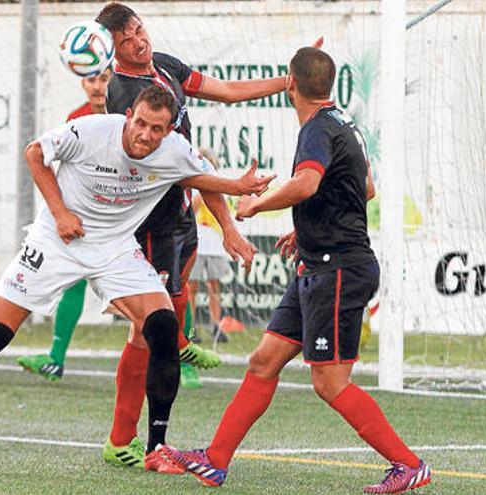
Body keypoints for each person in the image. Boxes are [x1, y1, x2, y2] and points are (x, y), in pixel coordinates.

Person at [0, 86, 273, 473]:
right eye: (141, 123)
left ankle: (157, 447)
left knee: (163, 326)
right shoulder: (92, 131)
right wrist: (60, 212)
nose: (145, 134)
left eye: (156, 129)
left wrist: (231, 216)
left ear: (168, 131)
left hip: (113, 248)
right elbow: (35, 153)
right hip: (57, 238)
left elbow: (202, 178)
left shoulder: (175, 149)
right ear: (128, 115)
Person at [160, 47, 430, 494]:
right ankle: (215, 460)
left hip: (339, 270)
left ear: (290, 83)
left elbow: (307, 183)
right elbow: (364, 188)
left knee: (329, 382)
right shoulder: (343, 122)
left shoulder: (316, 129)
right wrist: (307, 229)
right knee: (264, 360)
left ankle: (408, 464)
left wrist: (256, 203)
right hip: (317, 264)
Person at [95, 1, 315, 472]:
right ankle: (130, 440)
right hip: (149, 223)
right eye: (125, 40)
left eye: (138, 30)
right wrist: (231, 222)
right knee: (147, 333)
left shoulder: (166, 67)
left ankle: (175, 344)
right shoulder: (122, 94)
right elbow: (182, 168)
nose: (137, 41)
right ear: (112, 49)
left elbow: (229, 94)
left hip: (180, 216)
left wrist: (287, 81)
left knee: (160, 323)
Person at [17, 67, 112, 381]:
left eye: (104, 78)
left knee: (167, 283)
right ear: (83, 83)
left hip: (124, 217)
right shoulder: (77, 118)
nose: (97, 86)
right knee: (74, 281)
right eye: (91, 80)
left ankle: (185, 358)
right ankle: (56, 359)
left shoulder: (129, 114)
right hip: (86, 215)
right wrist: (62, 213)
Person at [188, 150, 235, 347]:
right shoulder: (196, 190)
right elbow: (191, 211)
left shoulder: (219, 190)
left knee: (214, 286)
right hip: (198, 243)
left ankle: (216, 325)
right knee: (191, 287)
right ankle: (191, 328)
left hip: (214, 245)